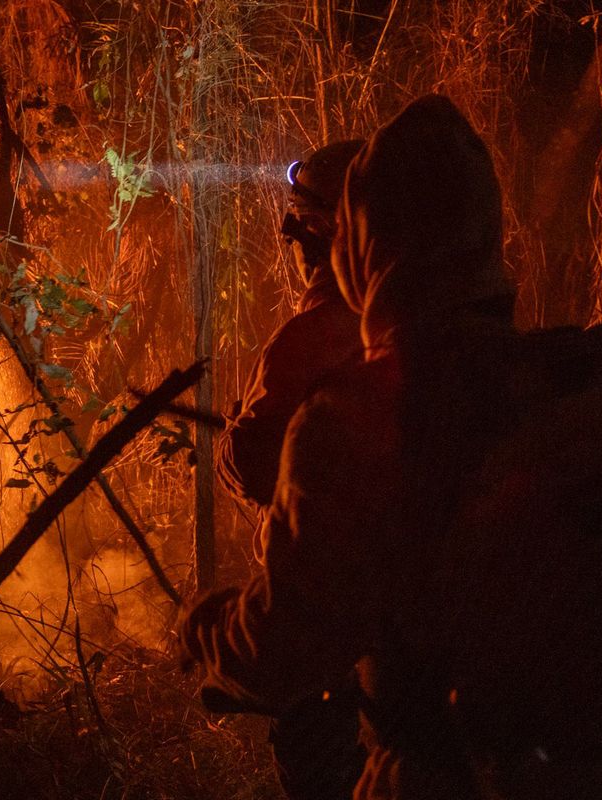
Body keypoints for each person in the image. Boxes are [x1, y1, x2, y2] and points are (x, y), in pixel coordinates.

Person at [182, 93, 602, 800]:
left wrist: (210, 633)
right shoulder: (578, 383)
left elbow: (289, 645)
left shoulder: (358, 417)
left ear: (361, 248)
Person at [212, 139, 368, 800]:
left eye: (304, 218)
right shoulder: (422, 328)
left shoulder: (312, 339)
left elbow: (251, 464)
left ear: (341, 230)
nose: (288, 233)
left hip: (327, 618)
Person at [215, 139, 365, 508]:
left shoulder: (311, 338)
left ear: (313, 230)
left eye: (297, 225)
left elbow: (253, 472)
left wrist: (237, 431)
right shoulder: (417, 323)